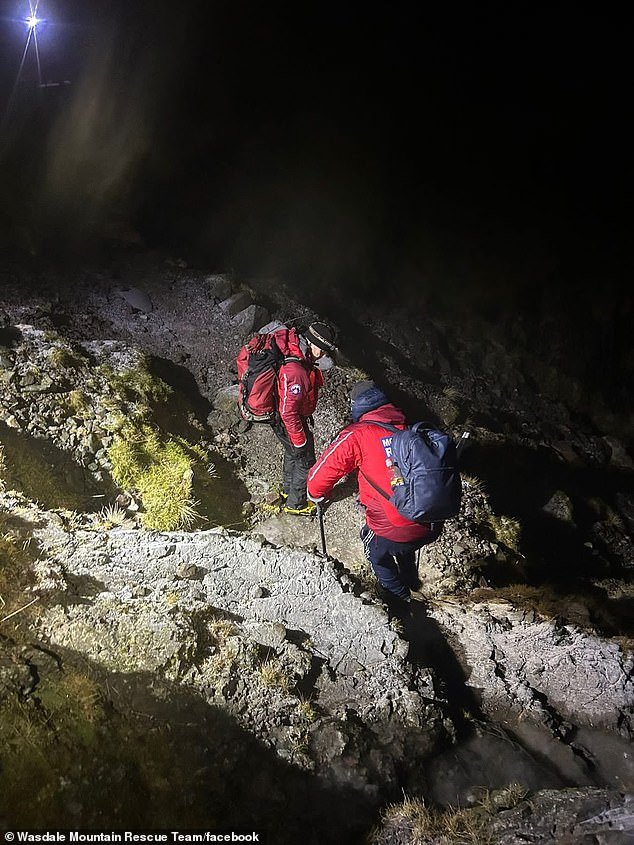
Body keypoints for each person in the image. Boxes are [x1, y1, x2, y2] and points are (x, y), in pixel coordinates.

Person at [307, 380, 442, 602]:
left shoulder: (359, 434)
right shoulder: (410, 429)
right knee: (402, 534)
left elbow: (317, 481)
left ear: (358, 408)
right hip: (432, 522)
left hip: (398, 529)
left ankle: (401, 601)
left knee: (375, 551)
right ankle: (410, 578)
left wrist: (315, 495)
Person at [274, 321, 338, 515]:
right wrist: (300, 440)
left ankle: (287, 492)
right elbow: (288, 411)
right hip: (288, 421)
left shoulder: (299, 356)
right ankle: (297, 504)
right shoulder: (296, 371)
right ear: (314, 345)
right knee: (305, 461)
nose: (325, 354)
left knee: (292, 453)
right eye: (324, 350)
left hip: (282, 420)